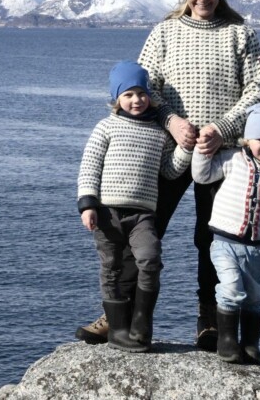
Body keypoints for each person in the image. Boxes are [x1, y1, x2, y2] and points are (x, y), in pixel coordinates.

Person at [76, 0, 260, 349]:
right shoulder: (164, 32)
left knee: (212, 238)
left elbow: (257, 90)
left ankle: (210, 320)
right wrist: (172, 121)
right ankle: (119, 314)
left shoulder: (240, 33)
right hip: (170, 150)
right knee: (143, 229)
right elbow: (147, 87)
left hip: (223, 154)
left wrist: (222, 128)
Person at [77, 61, 192, 352]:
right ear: (117, 98)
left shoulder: (158, 133)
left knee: (150, 260)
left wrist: (185, 149)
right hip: (107, 212)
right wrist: (88, 204)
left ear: (150, 96)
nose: (136, 100)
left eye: (142, 93)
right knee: (112, 268)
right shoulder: (106, 127)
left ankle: (142, 323)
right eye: (128, 94)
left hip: (142, 214)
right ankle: (118, 329)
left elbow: (169, 170)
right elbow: (89, 167)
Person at [192, 101, 260, 365]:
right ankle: (226, 341)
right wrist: (201, 150)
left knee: (253, 296)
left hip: (257, 248)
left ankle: (249, 344)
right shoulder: (233, 160)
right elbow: (202, 176)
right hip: (224, 242)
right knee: (230, 287)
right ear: (247, 139)